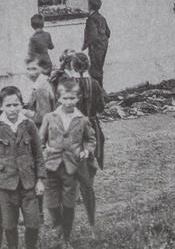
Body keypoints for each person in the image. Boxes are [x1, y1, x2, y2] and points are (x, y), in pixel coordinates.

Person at [0, 86, 45, 249]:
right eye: (8, 105)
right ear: (1, 106)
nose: (12, 109)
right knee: (9, 224)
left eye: (16, 104)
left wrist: (40, 180)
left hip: (28, 183)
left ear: (22, 105)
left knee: (33, 222)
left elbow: (38, 153)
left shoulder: (28, 124)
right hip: (5, 184)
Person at [40, 80, 96, 248]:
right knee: (52, 201)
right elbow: (39, 140)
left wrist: (87, 150)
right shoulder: (49, 118)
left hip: (71, 167)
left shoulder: (82, 120)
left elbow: (90, 139)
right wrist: (45, 150)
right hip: (51, 165)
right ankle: (57, 223)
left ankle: (66, 238)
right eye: (65, 98)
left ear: (78, 98)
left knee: (69, 202)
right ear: (58, 98)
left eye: (72, 98)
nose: (68, 102)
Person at [69, 52, 105, 228]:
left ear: (72, 66)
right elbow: (101, 107)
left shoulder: (68, 86)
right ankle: (87, 190)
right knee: (91, 157)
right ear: (88, 65)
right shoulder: (94, 84)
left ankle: (76, 194)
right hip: (91, 124)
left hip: (73, 127)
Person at [81, 0, 110, 87]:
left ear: (90, 6)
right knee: (99, 67)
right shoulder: (102, 18)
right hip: (103, 46)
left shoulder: (91, 19)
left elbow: (92, 35)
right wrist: (103, 40)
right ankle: (100, 89)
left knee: (94, 69)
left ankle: (98, 90)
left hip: (95, 47)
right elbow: (108, 32)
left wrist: (85, 46)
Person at [22, 57, 55, 127]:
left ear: (42, 69)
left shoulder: (41, 88)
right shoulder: (37, 84)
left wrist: (23, 112)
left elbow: (42, 117)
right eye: (28, 69)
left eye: (34, 69)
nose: (31, 72)